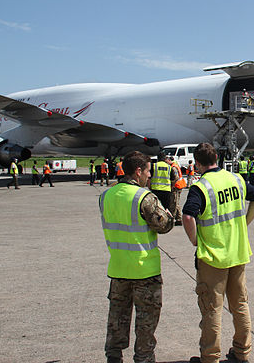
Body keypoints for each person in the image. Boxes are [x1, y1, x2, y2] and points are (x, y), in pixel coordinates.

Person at [183, 143, 254, 363]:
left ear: (198, 164)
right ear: (217, 158)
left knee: (212, 308)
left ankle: (210, 357)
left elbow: (188, 216)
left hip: (213, 258)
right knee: (239, 305)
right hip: (238, 253)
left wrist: (195, 240)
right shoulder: (236, 179)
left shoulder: (201, 187)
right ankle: (242, 352)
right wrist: (244, 224)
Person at [100, 150, 175, 363]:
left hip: (118, 269)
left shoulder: (106, 196)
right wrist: (169, 217)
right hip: (145, 271)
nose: (149, 176)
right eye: (148, 172)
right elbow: (163, 226)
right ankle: (143, 359)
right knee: (146, 323)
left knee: (117, 320)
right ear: (138, 171)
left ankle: (113, 357)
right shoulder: (144, 197)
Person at [167, 156, 185, 226]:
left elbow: (176, 178)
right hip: (178, 186)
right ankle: (179, 219)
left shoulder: (173, 167)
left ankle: (175, 218)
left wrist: (172, 185)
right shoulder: (174, 165)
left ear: (169, 160)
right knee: (176, 203)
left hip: (177, 187)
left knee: (174, 202)